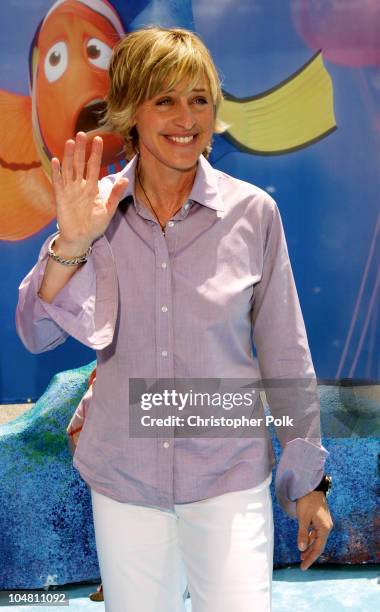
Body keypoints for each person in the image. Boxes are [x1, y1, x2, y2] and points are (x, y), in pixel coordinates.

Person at [16, 26, 333, 612]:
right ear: (131, 111)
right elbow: (35, 332)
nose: (186, 117)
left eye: (199, 98)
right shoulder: (94, 212)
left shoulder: (253, 213)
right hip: (125, 480)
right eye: (164, 99)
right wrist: (73, 242)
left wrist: (307, 480)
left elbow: (285, 352)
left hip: (229, 476)